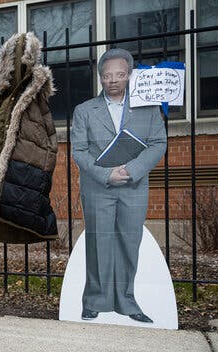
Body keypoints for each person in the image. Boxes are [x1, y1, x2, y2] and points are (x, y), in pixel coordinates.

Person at [71, 48, 167, 323]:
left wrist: (133, 170)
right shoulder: (84, 111)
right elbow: (78, 151)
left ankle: (127, 301)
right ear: (100, 77)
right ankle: (95, 300)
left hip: (134, 186)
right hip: (98, 186)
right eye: (107, 75)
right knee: (98, 242)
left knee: (128, 242)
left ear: (130, 75)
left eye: (120, 74)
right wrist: (105, 174)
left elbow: (159, 143)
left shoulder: (147, 108)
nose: (113, 80)